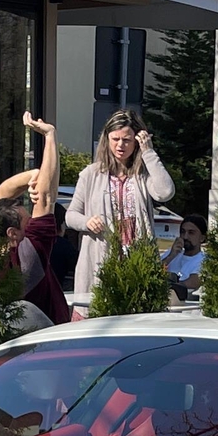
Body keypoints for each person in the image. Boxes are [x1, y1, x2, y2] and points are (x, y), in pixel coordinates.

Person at [66, 109, 175, 297]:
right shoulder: (91, 174)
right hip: (100, 260)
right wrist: (87, 222)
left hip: (137, 260)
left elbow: (165, 192)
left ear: (136, 142)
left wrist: (148, 152)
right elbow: (70, 216)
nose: (120, 145)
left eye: (127, 140)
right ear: (107, 139)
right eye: (115, 139)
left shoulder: (142, 175)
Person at [0, 114, 71, 324]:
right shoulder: (28, 254)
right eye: (28, 222)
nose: (32, 223)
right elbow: (46, 198)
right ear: (13, 234)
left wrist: (33, 175)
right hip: (47, 337)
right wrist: (50, 135)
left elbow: (3, 192)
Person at [167, 215, 209, 290]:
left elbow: (193, 282)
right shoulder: (171, 254)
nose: (185, 237)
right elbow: (151, 271)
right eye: (183, 232)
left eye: (191, 233)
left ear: (202, 238)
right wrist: (170, 256)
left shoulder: (205, 260)